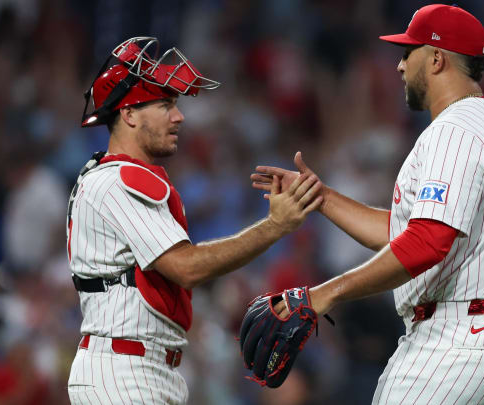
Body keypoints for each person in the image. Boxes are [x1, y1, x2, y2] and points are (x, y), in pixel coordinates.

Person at [251, 4, 484, 404]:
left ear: (437, 59)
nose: (399, 66)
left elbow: (427, 241)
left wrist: (323, 294)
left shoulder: (454, 129)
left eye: (409, 52)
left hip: (459, 338)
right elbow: (409, 233)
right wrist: (321, 197)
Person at [66, 37, 322, 404]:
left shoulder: (111, 177)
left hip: (143, 368)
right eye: (165, 104)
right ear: (129, 114)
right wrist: (274, 226)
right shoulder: (117, 181)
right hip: (123, 370)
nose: (179, 115)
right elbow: (187, 267)